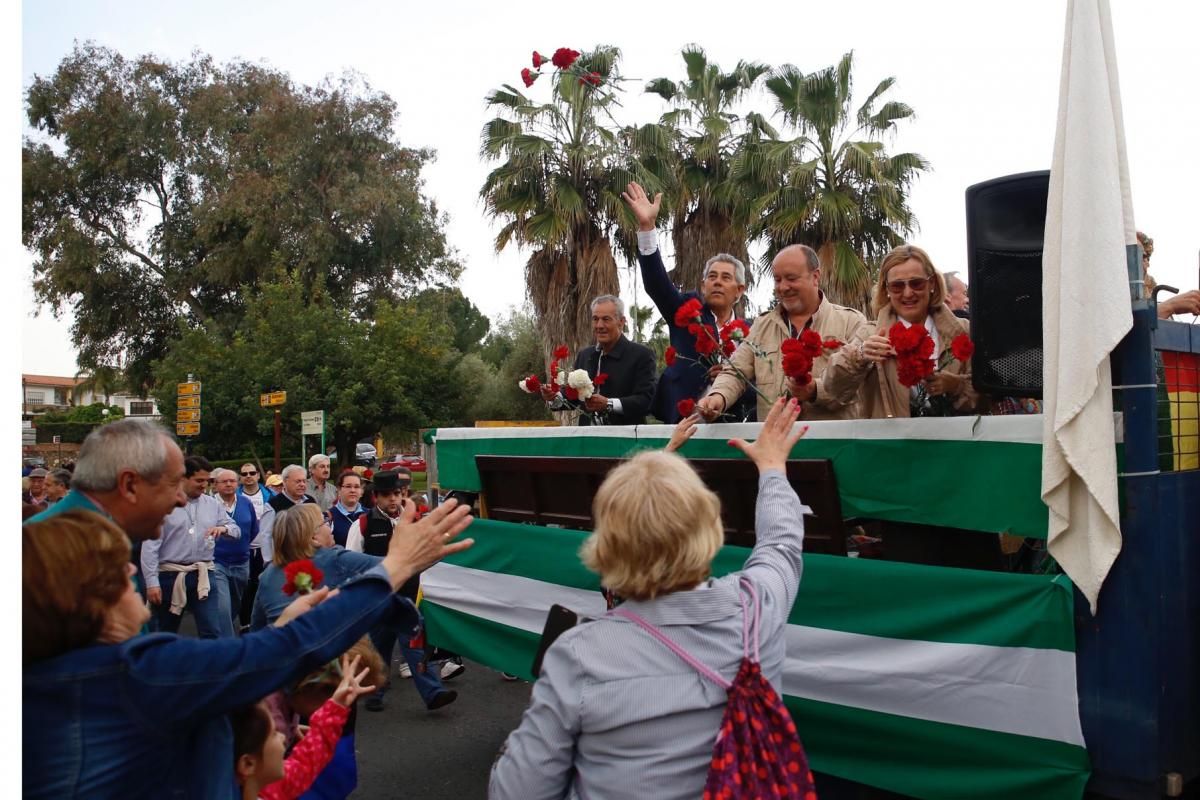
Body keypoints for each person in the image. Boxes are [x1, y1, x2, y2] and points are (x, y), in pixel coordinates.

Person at [23, 501, 474, 800]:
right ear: (87, 597)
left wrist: (280, 625)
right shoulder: (137, 675)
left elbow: (259, 644)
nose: (132, 569)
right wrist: (398, 564)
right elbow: (277, 653)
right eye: (115, 567)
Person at [489, 397, 809, 799]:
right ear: (710, 527)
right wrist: (773, 469)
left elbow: (518, 793)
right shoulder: (756, 607)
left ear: (607, 544)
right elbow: (781, 544)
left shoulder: (578, 656)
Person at [622, 181, 755, 423]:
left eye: (726, 278)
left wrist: (734, 380)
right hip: (685, 424)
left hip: (735, 428)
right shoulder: (686, 310)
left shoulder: (753, 332)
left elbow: (762, 384)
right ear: (703, 285)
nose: (717, 282)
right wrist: (647, 226)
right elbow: (656, 284)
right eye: (711, 277)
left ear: (740, 290)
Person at [697, 245, 874, 422]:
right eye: (777, 280)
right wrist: (718, 397)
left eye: (791, 278)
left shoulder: (851, 322)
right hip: (774, 445)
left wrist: (815, 390)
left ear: (815, 276)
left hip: (832, 446)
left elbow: (859, 384)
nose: (783, 287)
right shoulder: (761, 326)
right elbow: (736, 371)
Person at [825, 244, 982, 418]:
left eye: (917, 283)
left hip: (954, 442)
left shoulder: (963, 330)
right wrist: (860, 355)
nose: (908, 293)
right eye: (897, 286)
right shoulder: (870, 334)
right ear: (887, 290)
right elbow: (833, 389)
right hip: (891, 444)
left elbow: (987, 398)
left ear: (932, 283)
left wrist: (955, 385)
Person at [346, 469, 459, 711]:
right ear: (376, 497)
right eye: (386, 495)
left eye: (396, 494)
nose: (393, 499)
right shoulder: (363, 525)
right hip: (377, 599)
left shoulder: (415, 523)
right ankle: (375, 693)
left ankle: (434, 692)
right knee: (378, 649)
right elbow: (352, 562)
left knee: (415, 645)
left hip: (409, 597)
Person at [233, 653, 377, 800]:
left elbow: (306, 761)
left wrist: (336, 707)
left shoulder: (272, 787)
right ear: (248, 764)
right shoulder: (271, 791)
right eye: (274, 734)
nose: (283, 736)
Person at [141, 456, 240, 638]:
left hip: (204, 574)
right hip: (170, 575)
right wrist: (152, 582)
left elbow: (236, 530)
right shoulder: (164, 504)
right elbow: (150, 546)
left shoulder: (212, 504)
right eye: (199, 480)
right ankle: (163, 664)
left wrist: (224, 528)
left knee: (211, 629)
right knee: (164, 631)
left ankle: (211, 665)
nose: (204, 485)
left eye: (207, 481)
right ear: (183, 478)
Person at [538, 295, 657, 425]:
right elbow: (572, 398)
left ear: (621, 322)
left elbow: (646, 400)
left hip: (625, 441)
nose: (599, 325)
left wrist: (608, 404)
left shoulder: (641, 355)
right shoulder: (585, 355)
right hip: (588, 440)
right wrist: (554, 397)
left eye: (606, 319)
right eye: (595, 319)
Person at [212, 467, 260, 632]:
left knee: (235, 605)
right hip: (218, 562)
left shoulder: (245, 503)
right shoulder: (211, 504)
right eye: (224, 481)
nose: (228, 484)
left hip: (242, 562)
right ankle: (229, 646)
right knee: (223, 607)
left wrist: (244, 546)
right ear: (216, 485)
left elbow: (254, 528)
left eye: (232, 481)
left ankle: (217, 633)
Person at [237, 462, 276, 628]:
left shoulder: (270, 495)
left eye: (252, 473)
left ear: (258, 476)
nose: (248, 477)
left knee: (264, 585)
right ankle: (245, 623)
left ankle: (264, 622)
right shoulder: (236, 497)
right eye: (244, 474)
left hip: (265, 548)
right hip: (244, 549)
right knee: (246, 588)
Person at [329, 470, 368, 547]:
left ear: (361, 491)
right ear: (339, 490)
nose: (352, 490)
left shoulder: (370, 514)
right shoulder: (329, 517)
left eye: (356, 487)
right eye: (348, 486)